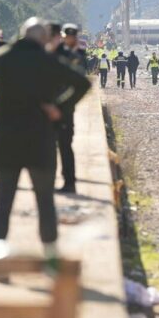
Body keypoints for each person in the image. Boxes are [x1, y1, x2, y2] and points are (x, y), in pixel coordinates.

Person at [0, 17, 90, 259]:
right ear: (44, 40)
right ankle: (50, 257)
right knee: (45, 201)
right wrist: (59, 108)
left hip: (6, 139)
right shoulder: (48, 61)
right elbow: (82, 83)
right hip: (40, 139)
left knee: (3, 201)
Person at [54, 24, 86, 194]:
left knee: (65, 144)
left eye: (73, 36)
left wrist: (65, 104)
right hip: (53, 103)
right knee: (50, 146)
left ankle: (69, 181)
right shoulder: (56, 52)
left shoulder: (78, 54)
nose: (70, 39)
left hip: (66, 107)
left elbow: (81, 79)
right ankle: (51, 179)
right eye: (68, 36)